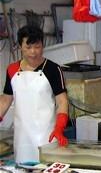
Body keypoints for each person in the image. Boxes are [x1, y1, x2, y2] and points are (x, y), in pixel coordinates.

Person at [0, 25, 69, 164]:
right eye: (28, 47)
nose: (33, 52)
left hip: (47, 136)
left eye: (37, 47)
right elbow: (5, 100)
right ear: (20, 46)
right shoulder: (12, 69)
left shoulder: (53, 69)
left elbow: (62, 101)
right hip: (22, 138)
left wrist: (60, 127)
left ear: (42, 46)